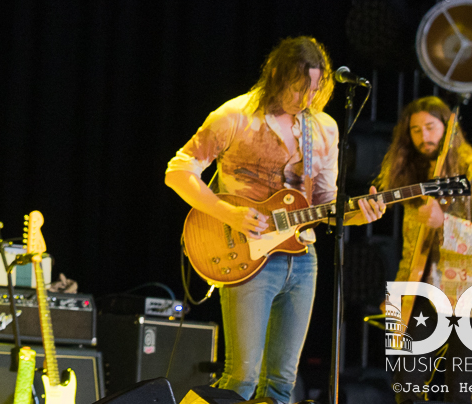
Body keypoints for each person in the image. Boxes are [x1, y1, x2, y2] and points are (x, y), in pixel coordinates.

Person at [165, 36, 385, 404]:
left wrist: (361, 215)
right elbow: (178, 172)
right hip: (246, 257)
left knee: (282, 382)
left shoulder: (324, 128)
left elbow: (326, 203)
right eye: (299, 89)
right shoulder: (234, 116)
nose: (307, 100)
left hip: (302, 261)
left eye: (315, 90)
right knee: (242, 376)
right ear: (276, 76)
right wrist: (228, 213)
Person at [376, 96, 472, 404]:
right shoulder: (419, 182)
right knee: (405, 385)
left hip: (471, 297)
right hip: (423, 293)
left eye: (430, 127)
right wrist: (396, 298)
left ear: (447, 128)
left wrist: (444, 223)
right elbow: (412, 250)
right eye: (416, 130)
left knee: (459, 394)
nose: (424, 137)